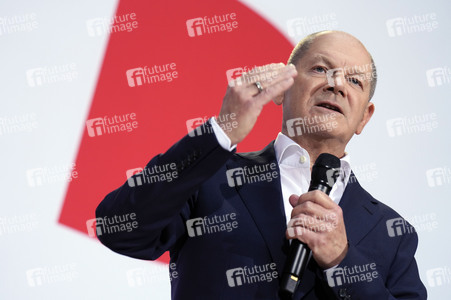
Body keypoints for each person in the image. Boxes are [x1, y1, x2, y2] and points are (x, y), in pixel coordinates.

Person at [96, 31, 427, 299]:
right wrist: (220, 133)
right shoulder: (211, 177)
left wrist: (343, 260)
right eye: (320, 69)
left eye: (355, 81)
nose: (336, 84)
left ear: (364, 118)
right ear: (282, 89)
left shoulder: (393, 234)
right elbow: (118, 230)